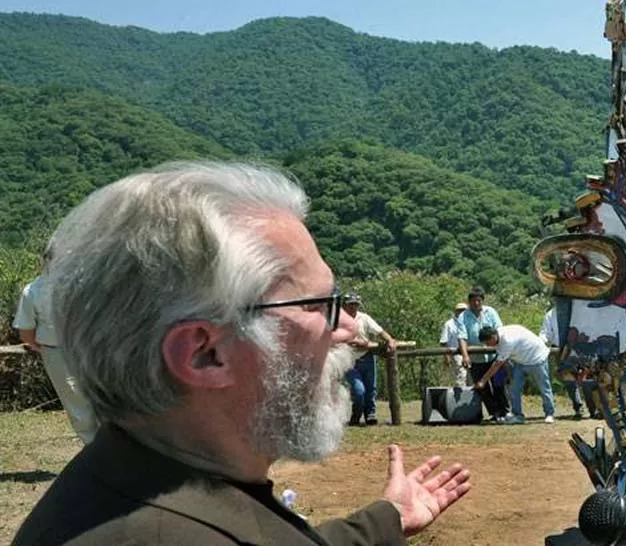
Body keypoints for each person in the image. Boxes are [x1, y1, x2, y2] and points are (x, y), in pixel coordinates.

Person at [13, 161, 470, 545]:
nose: (347, 328)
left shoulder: (134, 482)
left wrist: (385, 519)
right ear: (203, 353)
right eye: (316, 305)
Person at [13, 242, 99, 444]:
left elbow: (26, 334)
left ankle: (99, 449)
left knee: (78, 405)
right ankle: (103, 451)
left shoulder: (33, 290)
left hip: (62, 351)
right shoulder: (81, 286)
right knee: (91, 402)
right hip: (81, 350)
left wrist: (43, 347)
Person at [475, 325, 556, 425]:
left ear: (493, 337)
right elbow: (503, 360)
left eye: (487, 343)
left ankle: (549, 413)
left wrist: (483, 380)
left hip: (537, 358)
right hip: (520, 360)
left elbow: (497, 364)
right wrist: (509, 374)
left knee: (544, 387)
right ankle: (518, 415)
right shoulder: (498, 337)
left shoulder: (507, 340)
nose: (487, 346)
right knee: (514, 388)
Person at [343, 293, 398, 426]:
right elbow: (335, 337)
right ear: (345, 305)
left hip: (366, 357)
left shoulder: (364, 318)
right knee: (359, 390)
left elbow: (379, 331)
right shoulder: (339, 319)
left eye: (355, 304)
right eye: (351, 304)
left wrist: (390, 340)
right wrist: (357, 342)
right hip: (348, 359)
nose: (353, 307)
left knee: (370, 389)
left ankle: (370, 415)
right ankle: (356, 414)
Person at [456, 287, 508, 422]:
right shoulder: (463, 316)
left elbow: (500, 330)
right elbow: (462, 337)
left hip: (495, 357)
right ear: (469, 302)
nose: (476, 303)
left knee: (499, 385)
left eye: (479, 300)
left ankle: (505, 412)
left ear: (482, 301)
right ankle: (494, 413)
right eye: (473, 301)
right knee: (481, 387)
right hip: (476, 359)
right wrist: (465, 355)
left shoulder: (491, 312)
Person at [539, 305, 596, 420]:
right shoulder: (551, 315)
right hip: (561, 350)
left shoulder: (580, 311)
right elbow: (545, 333)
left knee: (586, 379)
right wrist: (541, 342)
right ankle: (578, 408)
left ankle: (593, 409)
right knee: (569, 380)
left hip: (580, 348)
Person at [439, 302, 469, 388]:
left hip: (470, 353)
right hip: (456, 354)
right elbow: (444, 342)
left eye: (464, 310)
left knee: (470, 377)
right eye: (460, 310)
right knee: (460, 376)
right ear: (455, 311)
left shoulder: (468, 322)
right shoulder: (449, 324)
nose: (462, 312)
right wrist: (446, 356)